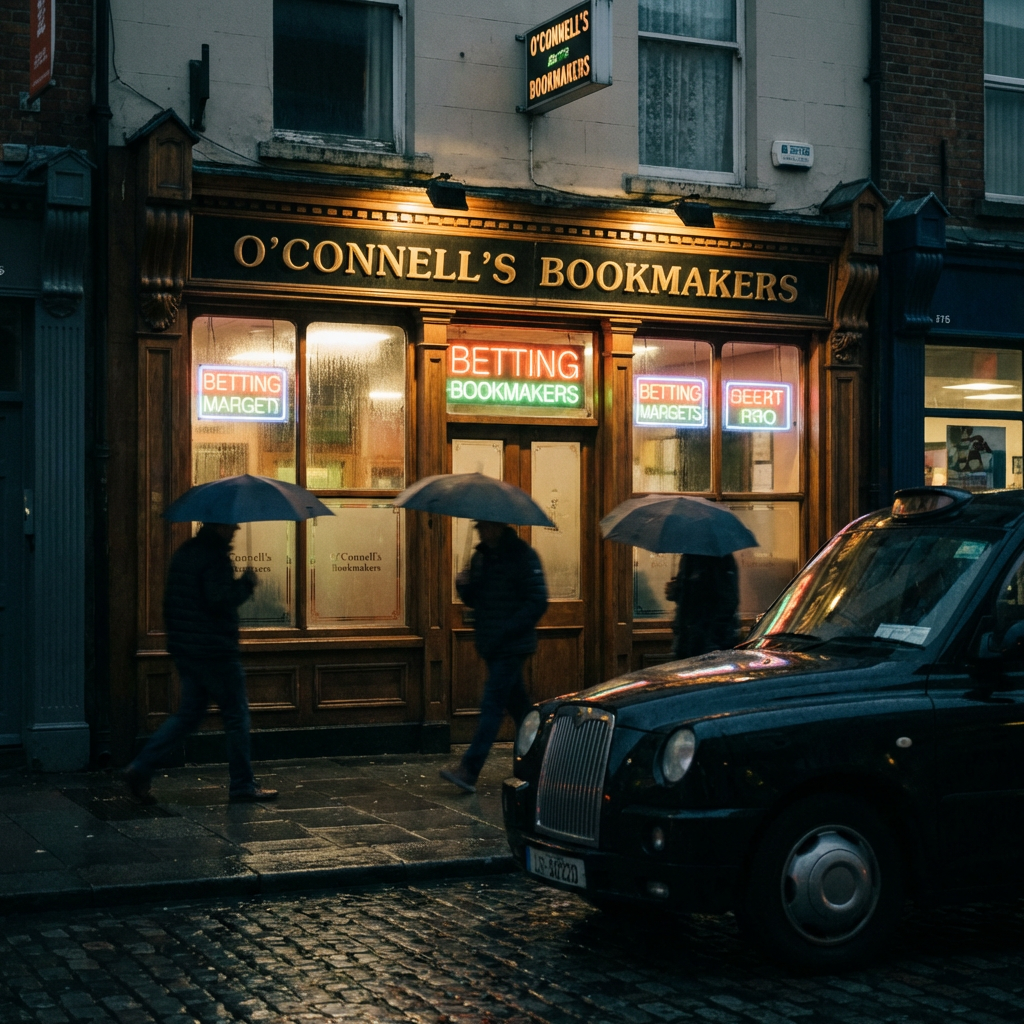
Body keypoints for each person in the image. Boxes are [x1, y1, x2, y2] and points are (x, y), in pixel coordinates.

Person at [124, 522, 278, 805]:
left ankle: (141, 766)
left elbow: (175, 603)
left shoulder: (186, 552)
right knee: (236, 716)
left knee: (188, 715)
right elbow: (218, 599)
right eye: (232, 526)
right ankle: (243, 784)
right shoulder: (213, 556)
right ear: (219, 527)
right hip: (216, 651)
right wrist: (245, 584)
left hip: (189, 650)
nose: (237, 529)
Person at [440, 520, 549, 793]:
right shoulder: (481, 556)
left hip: (512, 645)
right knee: (521, 708)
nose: (481, 532)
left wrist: (508, 628)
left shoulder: (523, 555)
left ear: (498, 527)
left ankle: (469, 770)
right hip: (491, 644)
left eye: (485, 527)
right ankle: (549, 756)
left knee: (491, 704)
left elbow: (538, 600)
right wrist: (463, 586)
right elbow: (478, 599)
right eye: (478, 528)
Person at [665, 553, 740, 659]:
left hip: (708, 645)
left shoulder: (721, 559)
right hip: (687, 642)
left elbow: (727, 601)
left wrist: (712, 643)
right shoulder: (689, 557)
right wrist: (677, 590)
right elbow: (687, 599)